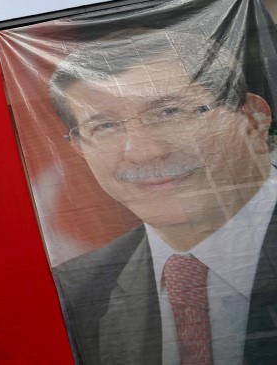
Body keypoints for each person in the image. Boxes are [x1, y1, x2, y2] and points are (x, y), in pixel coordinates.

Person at [48, 29, 277, 365]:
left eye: (170, 112)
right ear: (80, 149)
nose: (144, 153)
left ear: (252, 119)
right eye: (105, 127)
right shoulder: (71, 291)